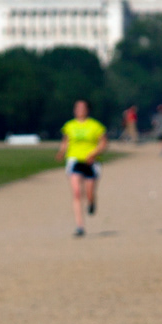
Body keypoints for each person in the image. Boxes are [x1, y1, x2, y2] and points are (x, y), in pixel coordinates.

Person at [58, 99, 106, 236]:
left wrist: (94, 153)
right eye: (77, 108)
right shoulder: (69, 126)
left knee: (89, 193)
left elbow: (103, 143)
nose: (80, 110)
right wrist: (61, 152)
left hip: (91, 161)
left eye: (82, 108)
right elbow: (65, 142)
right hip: (74, 160)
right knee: (77, 192)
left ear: (87, 110)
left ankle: (91, 203)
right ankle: (80, 226)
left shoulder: (95, 126)